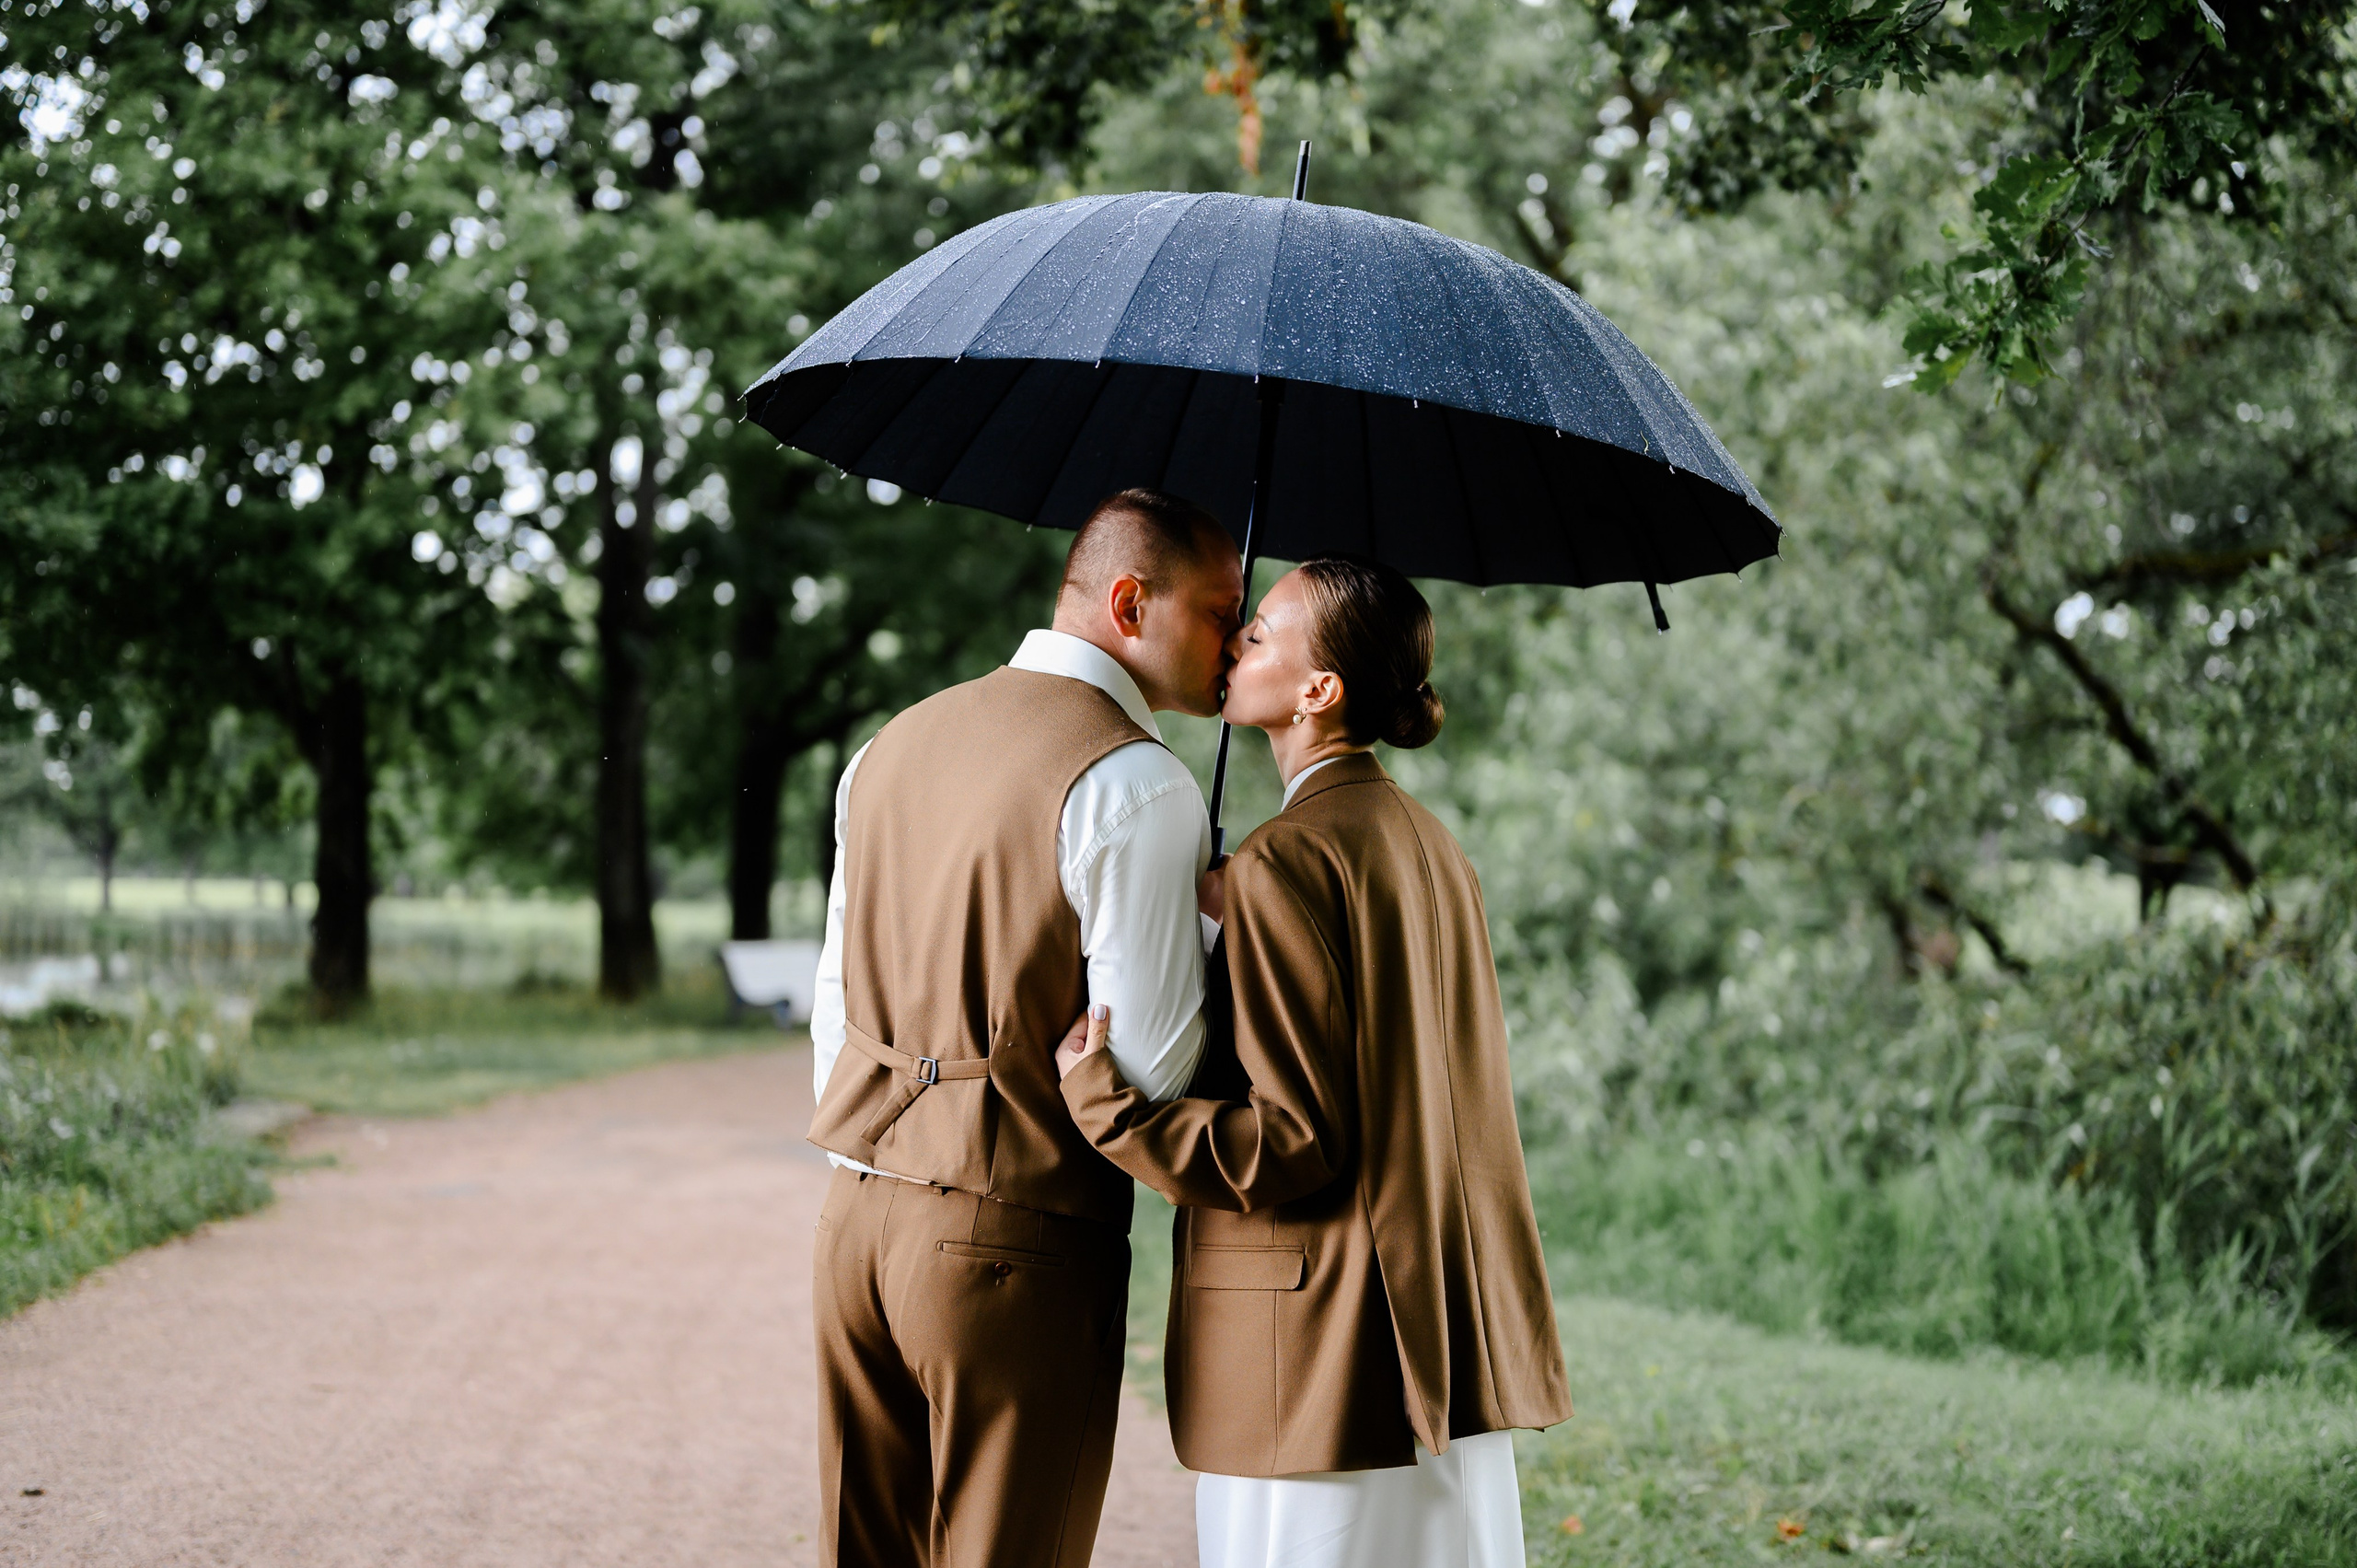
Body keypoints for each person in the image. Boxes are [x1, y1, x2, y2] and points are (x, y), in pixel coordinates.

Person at [1054, 554, 1573, 1568]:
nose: (1236, 636)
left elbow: (1293, 1138)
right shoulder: (1426, 841)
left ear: (1317, 690)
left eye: (1263, 631)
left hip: (1323, 1351)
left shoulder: (1288, 859)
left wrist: (1108, 1104)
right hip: (1440, 1325)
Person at [806, 488, 1243, 1568]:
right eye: (1223, 610)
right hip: (1017, 1243)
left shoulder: (887, 746)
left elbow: (835, 1008)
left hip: (853, 1223)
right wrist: (1215, 940)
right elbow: (1143, 1067)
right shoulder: (1141, 784)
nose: (1238, 643)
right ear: (1131, 601)